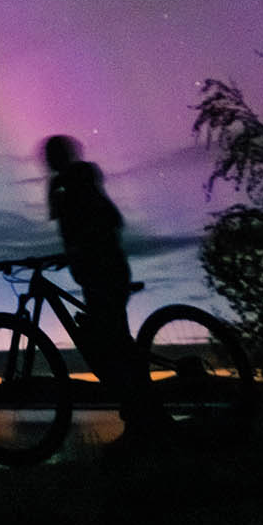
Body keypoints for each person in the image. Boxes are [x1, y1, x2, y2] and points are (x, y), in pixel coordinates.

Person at [42, 134, 162, 439]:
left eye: (54, 154)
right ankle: (138, 417)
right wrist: (70, 252)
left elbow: (108, 220)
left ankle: (142, 420)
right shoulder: (61, 185)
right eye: (48, 156)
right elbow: (67, 228)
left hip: (105, 269)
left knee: (110, 344)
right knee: (108, 343)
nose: (49, 161)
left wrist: (85, 247)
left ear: (65, 155)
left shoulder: (80, 178)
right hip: (91, 272)